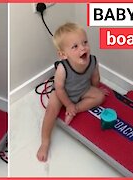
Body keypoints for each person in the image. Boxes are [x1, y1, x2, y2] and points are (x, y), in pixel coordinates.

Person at [37, 22, 107, 162]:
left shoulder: (93, 60)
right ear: (63, 54)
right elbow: (59, 88)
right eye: (75, 46)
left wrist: (96, 89)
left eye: (85, 42)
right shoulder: (62, 68)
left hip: (82, 90)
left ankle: (76, 109)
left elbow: (95, 77)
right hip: (62, 94)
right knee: (51, 111)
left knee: (100, 96)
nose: (83, 48)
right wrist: (67, 104)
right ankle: (45, 142)